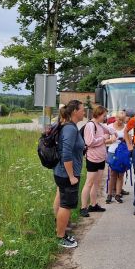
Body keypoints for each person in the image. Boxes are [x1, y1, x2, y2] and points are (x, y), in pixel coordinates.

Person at [53, 100, 86, 248]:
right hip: (67, 174)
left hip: (62, 172)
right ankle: (61, 237)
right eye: (82, 110)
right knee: (66, 205)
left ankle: (60, 227)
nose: (84, 112)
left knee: (60, 199)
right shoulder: (71, 129)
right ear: (74, 112)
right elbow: (66, 154)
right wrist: (72, 176)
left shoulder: (69, 126)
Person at [79, 105, 116, 217]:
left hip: (101, 158)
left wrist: (111, 132)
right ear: (98, 114)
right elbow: (90, 142)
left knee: (97, 183)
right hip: (92, 158)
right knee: (89, 183)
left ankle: (93, 204)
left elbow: (113, 131)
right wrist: (104, 138)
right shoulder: (90, 125)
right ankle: (83, 207)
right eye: (104, 115)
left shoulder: (99, 125)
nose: (105, 118)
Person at [106, 110, 128, 204]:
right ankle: (110, 194)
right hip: (112, 151)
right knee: (112, 174)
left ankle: (118, 194)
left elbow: (129, 140)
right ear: (115, 118)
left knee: (121, 174)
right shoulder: (110, 127)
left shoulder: (126, 127)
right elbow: (105, 139)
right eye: (119, 119)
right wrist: (111, 140)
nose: (120, 121)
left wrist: (125, 139)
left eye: (122, 120)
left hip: (122, 152)